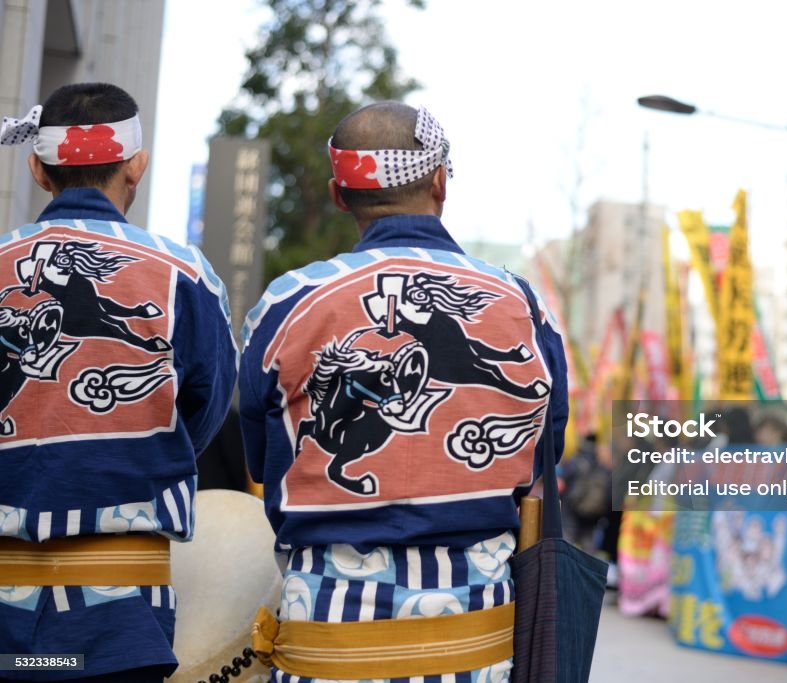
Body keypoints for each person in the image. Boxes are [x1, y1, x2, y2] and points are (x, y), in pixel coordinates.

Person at [240, 101, 569, 682]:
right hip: (476, 638)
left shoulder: (288, 302)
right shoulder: (520, 302)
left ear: (340, 195)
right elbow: (547, 449)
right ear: (440, 181)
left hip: (324, 630)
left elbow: (261, 455)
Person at [0, 83, 237, 681]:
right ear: (137, 164)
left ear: (36, 167)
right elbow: (200, 422)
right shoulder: (185, 274)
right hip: (120, 619)